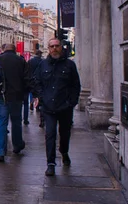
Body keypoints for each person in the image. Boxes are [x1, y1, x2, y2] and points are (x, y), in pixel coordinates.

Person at [33, 38, 80, 177]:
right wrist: (41, 98)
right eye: (51, 46)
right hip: (48, 107)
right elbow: (36, 82)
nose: (54, 49)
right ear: (48, 48)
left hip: (65, 107)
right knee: (50, 134)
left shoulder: (69, 65)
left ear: (61, 47)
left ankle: (64, 152)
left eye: (57, 46)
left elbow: (75, 85)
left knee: (64, 134)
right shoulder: (43, 65)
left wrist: (72, 102)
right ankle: (51, 164)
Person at [0, 43, 33, 162]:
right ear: (15, 50)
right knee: (16, 122)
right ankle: (17, 145)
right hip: (16, 95)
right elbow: (27, 79)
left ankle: (0, 152)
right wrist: (25, 93)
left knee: (1, 123)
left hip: (1, 95)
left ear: (3, 49)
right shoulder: (20, 61)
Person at [28, 50, 44, 127]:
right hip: (39, 79)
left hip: (31, 79)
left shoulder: (30, 61)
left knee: (32, 93)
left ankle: (32, 103)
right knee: (39, 93)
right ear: (40, 54)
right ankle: (37, 106)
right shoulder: (42, 61)